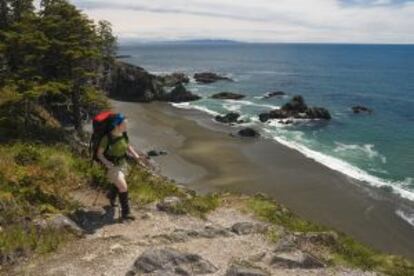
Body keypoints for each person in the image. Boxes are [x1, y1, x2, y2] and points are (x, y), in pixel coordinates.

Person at [96, 113, 147, 221]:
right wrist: (106, 162)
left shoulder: (123, 134)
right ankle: (126, 212)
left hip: (122, 164)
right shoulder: (107, 138)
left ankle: (111, 196)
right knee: (123, 187)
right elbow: (99, 154)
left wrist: (136, 156)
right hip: (112, 166)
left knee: (119, 184)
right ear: (116, 125)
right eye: (124, 124)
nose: (126, 126)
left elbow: (128, 146)